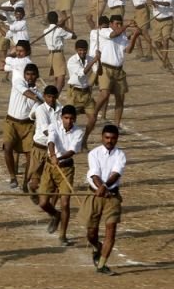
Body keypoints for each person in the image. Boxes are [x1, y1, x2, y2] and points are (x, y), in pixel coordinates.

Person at [84, 124, 126, 275]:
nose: (109, 141)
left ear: (117, 139)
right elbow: (94, 174)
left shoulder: (120, 155)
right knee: (91, 233)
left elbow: (116, 173)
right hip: (95, 195)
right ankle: (96, 246)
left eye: (113, 138)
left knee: (111, 229)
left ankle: (102, 265)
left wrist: (105, 186)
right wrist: (100, 187)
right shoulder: (93, 153)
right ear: (102, 137)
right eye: (107, 138)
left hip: (112, 196)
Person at [38, 104, 84, 246]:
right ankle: (55, 214)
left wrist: (59, 158)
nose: (68, 121)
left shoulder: (79, 132)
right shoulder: (54, 126)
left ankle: (63, 236)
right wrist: (52, 155)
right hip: (50, 167)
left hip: (66, 169)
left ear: (75, 119)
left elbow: (72, 151)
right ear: (61, 117)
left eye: (71, 118)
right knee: (43, 203)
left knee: (65, 203)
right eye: (66, 118)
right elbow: (51, 141)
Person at [93, 15, 140, 128]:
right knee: (104, 94)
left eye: (120, 23)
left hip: (119, 70)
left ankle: (117, 125)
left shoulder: (122, 35)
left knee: (120, 98)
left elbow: (128, 50)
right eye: (116, 24)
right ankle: (94, 115)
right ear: (110, 24)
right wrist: (127, 25)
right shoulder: (104, 31)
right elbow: (113, 35)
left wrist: (135, 36)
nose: (119, 26)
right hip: (105, 68)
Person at [4, 63, 43, 190]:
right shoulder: (18, 83)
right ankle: (12, 177)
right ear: (24, 75)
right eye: (28, 74)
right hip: (11, 122)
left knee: (30, 155)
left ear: (37, 76)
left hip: (27, 125)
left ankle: (26, 182)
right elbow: (26, 92)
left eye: (33, 74)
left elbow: (34, 114)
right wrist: (40, 100)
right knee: (7, 147)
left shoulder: (39, 94)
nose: (30, 77)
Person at [67, 39, 98, 148]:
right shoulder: (72, 61)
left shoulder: (90, 58)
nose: (82, 52)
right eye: (80, 50)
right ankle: (69, 141)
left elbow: (97, 71)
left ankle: (84, 140)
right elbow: (82, 73)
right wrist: (94, 61)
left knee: (93, 118)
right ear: (76, 50)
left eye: (84, 50)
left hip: (86, 93)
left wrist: (99, 61)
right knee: (68, 119)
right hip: (74, 93)